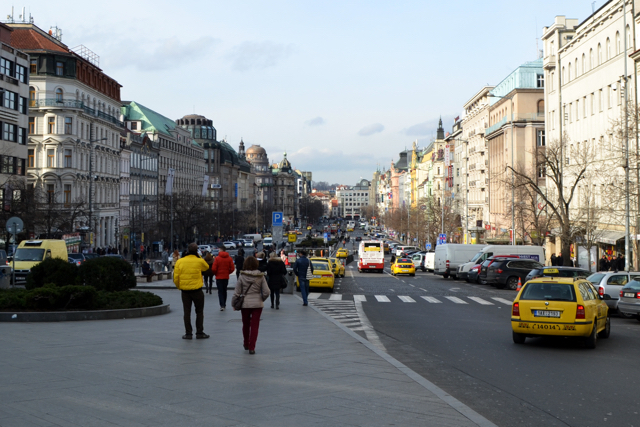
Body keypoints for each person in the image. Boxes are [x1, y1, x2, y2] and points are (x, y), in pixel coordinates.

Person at [173, 243, 211, 339]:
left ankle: (188, 333)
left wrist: (179, 286)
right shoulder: (199, 261)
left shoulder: (180, 261)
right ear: (197, 250)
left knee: (187, 312)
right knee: (199, 312)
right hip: (197, 290)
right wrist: (198, 257)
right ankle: (199, 332)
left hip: (185, 291)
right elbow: (206, 267)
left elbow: (176, 277)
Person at [233, 256, 270, 354]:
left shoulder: (242, 276)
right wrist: (261, 299)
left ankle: (246, 343)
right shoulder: (260, 276)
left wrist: (234, 303)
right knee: (255, 325)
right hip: (257, 304)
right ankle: (252, 347)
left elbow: (236, 292)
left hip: (245, 303)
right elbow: (266, 292)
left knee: (245, 324)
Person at [211, 246, 236, 311]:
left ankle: (222, 305)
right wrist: (228, 272)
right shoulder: (229, 258)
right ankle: (224, 303)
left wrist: (216, 273)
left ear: (221, 250)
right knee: (224, 290)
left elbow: (213, 268)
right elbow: (232, 268)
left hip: (219, 277)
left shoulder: (217, 258)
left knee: (220, 291)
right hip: (226, 277)